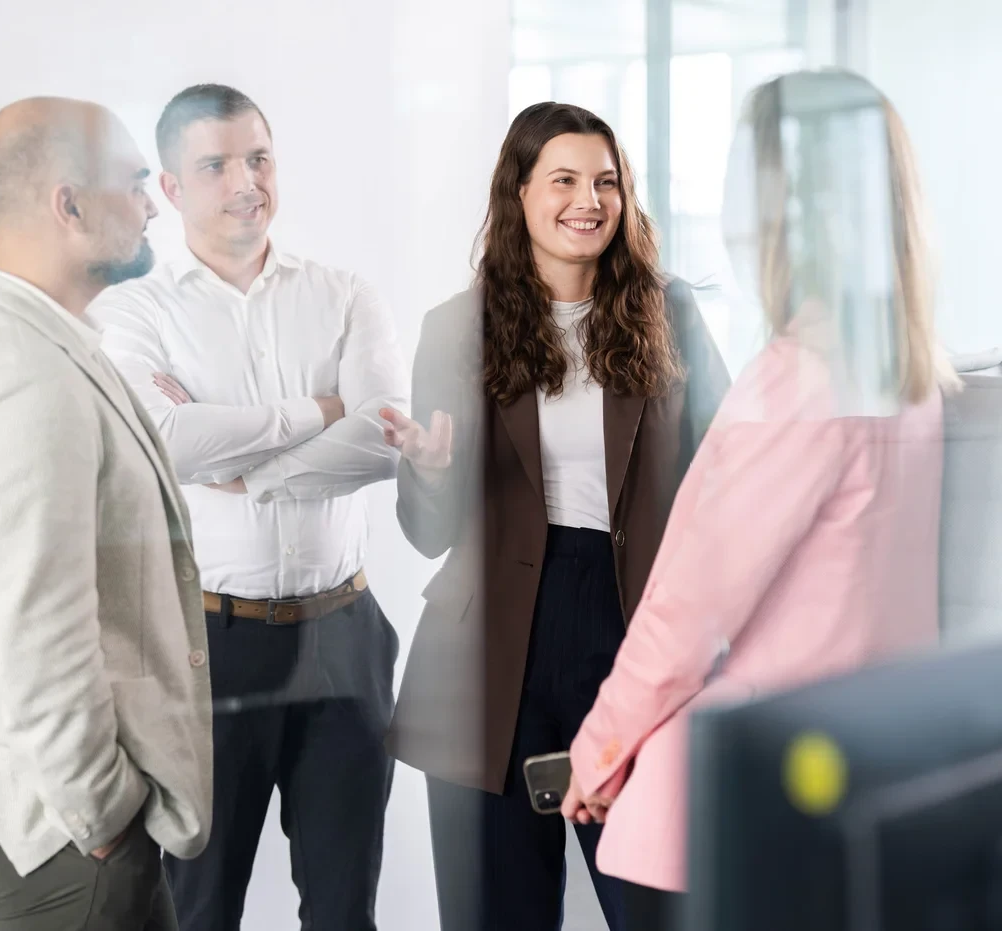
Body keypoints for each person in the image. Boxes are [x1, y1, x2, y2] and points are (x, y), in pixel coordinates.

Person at [557, 69, 962, 929]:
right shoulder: (908, 377)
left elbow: (690, 609)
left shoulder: (797, 379)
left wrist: (596, 750)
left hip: (734, 800)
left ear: (789, 208)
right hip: (847, 785)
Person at [381, 101, 730, 931]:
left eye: (606, 181)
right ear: (521, 193)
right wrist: (427, 473)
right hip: (492, 650)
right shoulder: (457, 328)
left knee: (659, 904)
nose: (590, 199)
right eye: (565, 179)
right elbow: (429, 530)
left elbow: (727, 475)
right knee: (499, 912)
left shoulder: (667, 310)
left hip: (636, 627)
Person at [88, 84, 409, 931]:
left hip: (344, 633)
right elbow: (167, 442)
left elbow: (382, 438)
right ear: (170, 188)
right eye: (216, 164)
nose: (246, 182)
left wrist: (251, 470)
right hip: (207, 647)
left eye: (259, 158)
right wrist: (317, 412)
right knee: (199, 909)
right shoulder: (132, 311)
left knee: (346, 912)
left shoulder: (343, 293)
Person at [0, 97, 212, 931]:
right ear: (68, 204)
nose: (153, 203)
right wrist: (106, 812)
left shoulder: (32, 344)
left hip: (52, 840)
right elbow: (41, 642)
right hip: (70, 849)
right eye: (136, 182)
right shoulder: (24, 378)